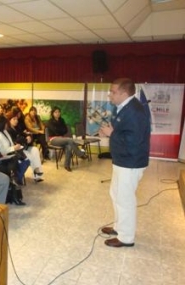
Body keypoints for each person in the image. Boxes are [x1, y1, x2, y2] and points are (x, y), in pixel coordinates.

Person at [99, 78, 150, 248]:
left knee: (125, 199)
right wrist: (110, 132)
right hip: (122, 160)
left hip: (131, 162)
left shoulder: (134, 111)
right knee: (116, 195)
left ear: (124, 93)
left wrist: (112, 133)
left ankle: (126, 238)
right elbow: (122, 131)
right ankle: (119, 227)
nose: (109, 94)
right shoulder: (123, 107)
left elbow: (134, 140)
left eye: (113, 92)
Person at [4, 113, 44, 183]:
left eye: (17, 119)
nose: (16, 121)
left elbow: (25, 134)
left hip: (24, 147)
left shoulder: (17, 127)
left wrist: (29, 137)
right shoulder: (8, 130)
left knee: (35, 150)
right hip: (17, 150)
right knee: (30, 155)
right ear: (9, 120)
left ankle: (37, 174)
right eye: (14, 119)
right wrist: (25, 139)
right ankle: (36, 171)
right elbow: (15, 141)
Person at [47, 107, 88, 172]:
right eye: (55, 112)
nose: (57, 113)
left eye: (58, 112)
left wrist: (59, 130)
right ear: (52, 113)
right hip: (53, 139)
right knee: (70, 140)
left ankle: (67, 165)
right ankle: (80, 154)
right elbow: (55, 131)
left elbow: (65, 130)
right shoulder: (50, 122)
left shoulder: (62, 120)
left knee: (69, 146)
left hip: (62, 138)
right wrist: (60, 130)